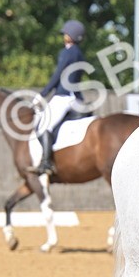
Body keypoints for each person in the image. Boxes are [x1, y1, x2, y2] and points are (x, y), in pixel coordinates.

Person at [31, 20, 88, 175]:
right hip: (76, 98)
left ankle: (46, 163)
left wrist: (42, 95)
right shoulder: (79, 53)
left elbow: (57, 76)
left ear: (73, 36)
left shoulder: (68, 52)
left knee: (44, 125)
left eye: (66, 33)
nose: (64, 35)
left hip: (64, 96)